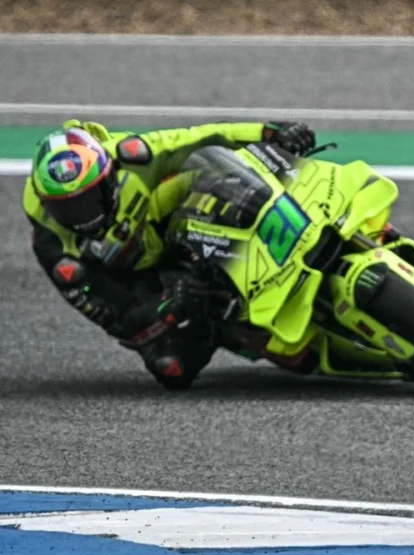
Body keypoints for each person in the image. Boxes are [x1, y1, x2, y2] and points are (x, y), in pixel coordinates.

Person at [24, 118, 317, 388]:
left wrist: (269, 132)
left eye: (90, 199)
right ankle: (246, 324)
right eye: (66, 208)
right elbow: (118, 316)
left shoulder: (133, 156)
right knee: (173, 369)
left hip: (165, 220)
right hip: (148, 280)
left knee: (216, 170)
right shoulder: (57, 252)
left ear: (109, 176)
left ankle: (297, 212)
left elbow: (201, 137)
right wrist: (173, 306)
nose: (82, 216)